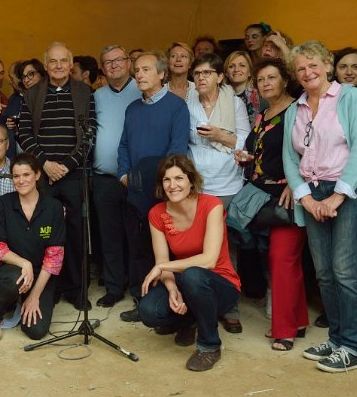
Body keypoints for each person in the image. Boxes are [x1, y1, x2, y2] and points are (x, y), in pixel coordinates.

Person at [283, 40, 357, 373]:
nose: (308, 72)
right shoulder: (293, 110)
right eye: (301, 68)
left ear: (328, 65)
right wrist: (308, 199)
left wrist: (337, 196)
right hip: (312, 195)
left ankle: (352, 345)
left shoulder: (350, 98)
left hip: (346, 191)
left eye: (313, 64)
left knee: (344, 271)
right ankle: (337, 337)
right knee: (324, 274)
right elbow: (289, 156)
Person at [139, 155, 240, 372]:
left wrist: (162, 268)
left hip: (221, 284)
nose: (172, 185)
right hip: (186, 282)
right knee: (148, 311)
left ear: (191, 181)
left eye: (179, 178)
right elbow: (163, 261)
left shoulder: (211, 205)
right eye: (167, 180)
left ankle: (209, 346)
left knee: (194, 274)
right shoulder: (156, 214)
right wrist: (172, 287)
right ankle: (188, 321)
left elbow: (209, 259)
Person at [18, 41, 95, 310]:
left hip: (73, 175)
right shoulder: (32, 94)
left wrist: (68, 165)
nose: (59, 66)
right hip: (43, 176)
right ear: (46, 63)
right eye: (53, 61)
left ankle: (76, 290)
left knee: (75, 234)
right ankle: (48, 288)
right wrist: (45, 164)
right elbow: (24, 134)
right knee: (44, 233)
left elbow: (90, 135)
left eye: (64, 61)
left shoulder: (85, 92)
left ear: (71, 62)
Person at [238, 58, 307, 351]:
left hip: (288, 196)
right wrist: (247, 157)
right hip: (262, 196)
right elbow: (263, 150)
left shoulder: (298, 109)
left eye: (271, 78)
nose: (265, 83)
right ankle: (299, 319)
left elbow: (310, 149)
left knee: (282, 259)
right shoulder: (264, 113)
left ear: (284, 80)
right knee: (283, 260)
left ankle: (284, 330)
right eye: (261, 79)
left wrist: (295, 182)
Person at [117, 51, 190, 321]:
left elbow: (178, 151)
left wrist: (165, 185)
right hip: (134, 190)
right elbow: (124, 144)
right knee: (138, 246)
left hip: (164, 192)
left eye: (146, 69)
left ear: (162, 74)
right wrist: (123, 173)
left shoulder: (176, 106)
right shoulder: (133, 109)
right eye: (137, 70)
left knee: (165, 247)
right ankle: (142, 300)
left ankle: (169, 304)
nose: (139, 74)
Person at [187, 53, 250, 333]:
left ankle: (229, 308)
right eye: (197, 73)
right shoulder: (187, 104)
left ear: (219, 77)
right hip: (198, 187)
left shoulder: (234, 103)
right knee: (196, 247)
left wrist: (219, 135)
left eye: (207, 73)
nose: (201, 78)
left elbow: (246, 141)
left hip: (228, 185)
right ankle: (199, 308)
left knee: (226, 250)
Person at [0, 153, 66, 341]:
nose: (21, 181)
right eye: (16, 176)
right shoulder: (2, 204)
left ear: (37, 175)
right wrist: (24, 264)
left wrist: (34, 296)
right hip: (13, 269)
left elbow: (54, 258)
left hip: (43, 273)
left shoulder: (53, 207)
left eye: (26, 175)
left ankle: (25, 299)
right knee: (14, 279)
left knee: (36, 332)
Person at [92, 45, 141, 307]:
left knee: (135, 237)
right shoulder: (96, 96)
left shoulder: (142, 90)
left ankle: (137, 288)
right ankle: (113, 287)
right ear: (103, 68)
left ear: (128, 63)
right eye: (107, 62)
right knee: (109, 237)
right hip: (104, 178)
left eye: (118, 60)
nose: (113, 66)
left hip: (135, 179)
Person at [224, 50, 261, 126]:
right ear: (226, 73)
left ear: (250, 72)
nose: (236, 69)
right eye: (231, 66)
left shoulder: (259, 95)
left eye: (242, 65)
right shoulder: (221, 95)